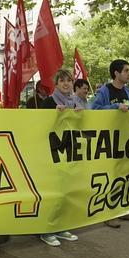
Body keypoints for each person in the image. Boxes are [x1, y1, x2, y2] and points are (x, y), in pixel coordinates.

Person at [91, 59, 129, 227]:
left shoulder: (127, 91)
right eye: (126, 70)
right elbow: (94, 111)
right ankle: (109, 214)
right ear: (116, 73)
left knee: (127, 175)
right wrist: (114, 108)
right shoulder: (104, 91)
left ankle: (125, 210)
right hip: (108, 142)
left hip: (125, 140)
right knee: (111, 177)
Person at [38, 69, 80, 247]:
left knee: (65, 190)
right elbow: (39, 125)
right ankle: (46, 230)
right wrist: (53, 114)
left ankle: (61, 226)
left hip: (69, 153)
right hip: (51, 153)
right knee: (52, 192)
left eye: (69, 80)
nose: (66, 83)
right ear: (56, 84)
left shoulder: (76, 103)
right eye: (62, 81)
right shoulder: (49, 102)